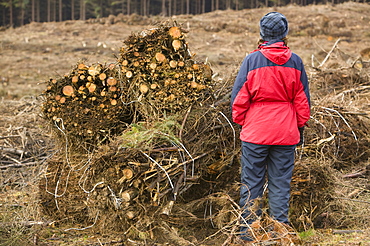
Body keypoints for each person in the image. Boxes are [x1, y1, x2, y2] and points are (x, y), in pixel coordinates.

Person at [230, 12, 311, 241]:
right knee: (280, 183)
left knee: (251, 183)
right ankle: (280, 233)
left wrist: (244, 122)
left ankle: (247, 234)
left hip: (255, 133)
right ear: (284, 34)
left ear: (262, 34)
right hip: (285, 133)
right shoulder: (296, 61)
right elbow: (303, 102)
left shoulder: (251, 60)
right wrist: (298, 126)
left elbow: (238, 100)